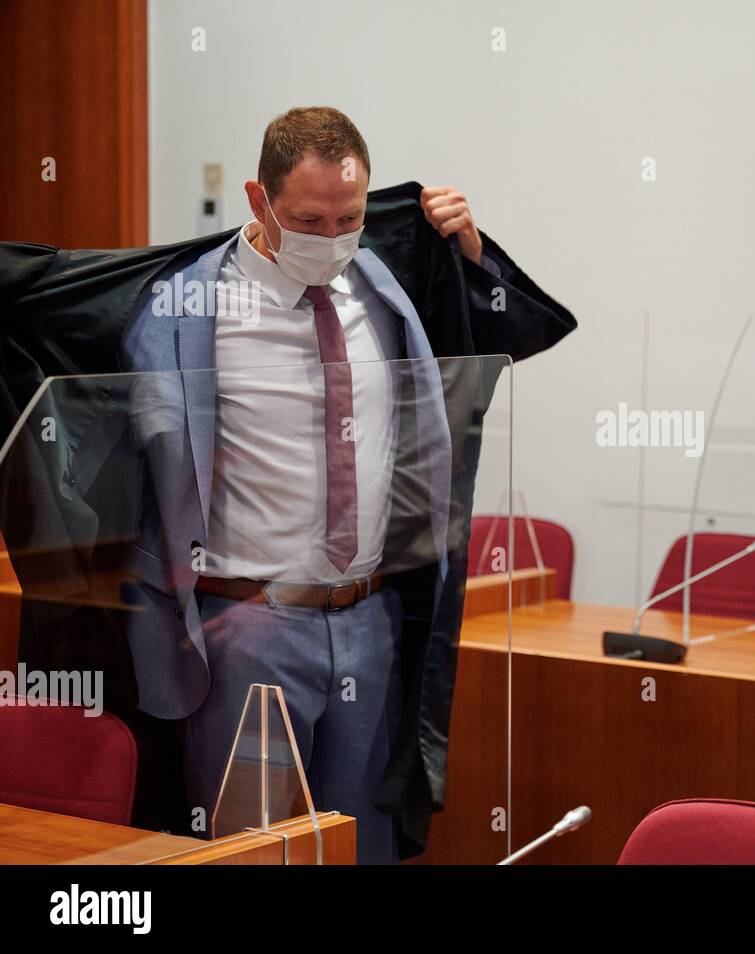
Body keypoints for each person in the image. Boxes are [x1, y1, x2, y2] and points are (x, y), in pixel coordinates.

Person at [116, 106, 574, 863]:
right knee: (247, 854)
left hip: (369, 620)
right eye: (308, 220)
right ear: (258, 201)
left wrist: (467, 260)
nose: (331, 241)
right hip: (246, 627)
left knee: (365, 848)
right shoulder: (186, 309)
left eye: (349, 218)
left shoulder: (388, 285)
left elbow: (504, 341)